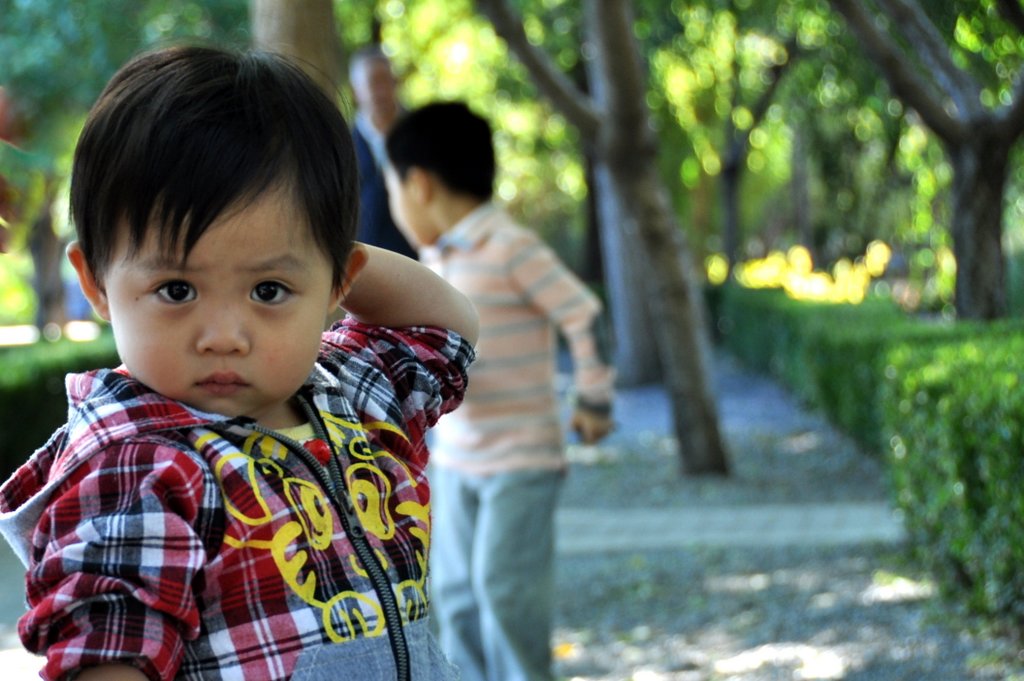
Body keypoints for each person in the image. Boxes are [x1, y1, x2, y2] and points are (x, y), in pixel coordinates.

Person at [0, 46, 478, 681]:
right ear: (96, 283)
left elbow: (445, 330)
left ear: (340, 281)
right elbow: (109, 652)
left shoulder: (348, 396)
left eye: (268, 292)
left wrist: (317, 247)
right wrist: (285, 259)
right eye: (176, 289)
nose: (225, 336)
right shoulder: (139, 465)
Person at [384, 101, 615, 681]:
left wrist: (594, 398)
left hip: (520, 459)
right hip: (456, 459)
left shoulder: (510, 246)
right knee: (456, 594)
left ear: (419, 183)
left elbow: (583, 313)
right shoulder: (434, 259)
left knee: (505, 590)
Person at [349, 45, 417, 259]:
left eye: (384, 80)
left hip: (422, 262)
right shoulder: (342, 144)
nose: (379, 90)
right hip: (366, 267)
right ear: (355, 90)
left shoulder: (422, 136)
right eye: (372, 82)